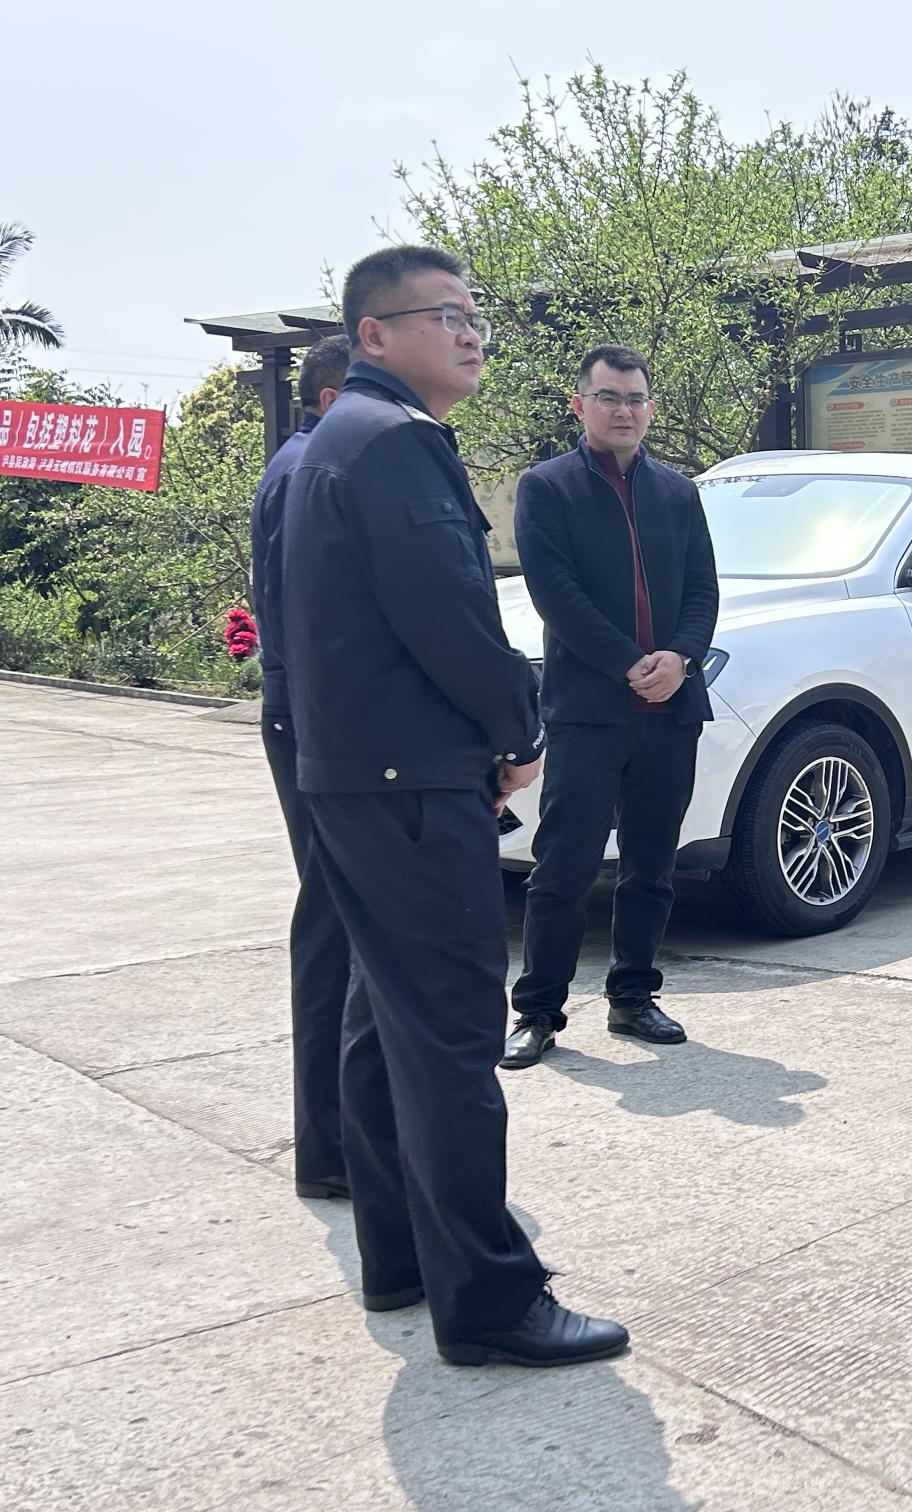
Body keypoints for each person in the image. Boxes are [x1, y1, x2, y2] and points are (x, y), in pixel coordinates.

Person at [283, 245, 626, 1367]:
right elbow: (451, 619)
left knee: (383, 1024)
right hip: (412, 783)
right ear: (374, 335)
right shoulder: (394, 442)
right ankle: (487, 1301)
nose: (472, 332)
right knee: (451, 1035)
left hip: (358, 775)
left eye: (476, 315)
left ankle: (401, 1259)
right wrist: (517, 730)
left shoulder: (336, 441)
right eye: (445, 314)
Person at [501, 345, 720, 1070]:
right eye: (609, 397)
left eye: (635, 399)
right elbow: (556, 597)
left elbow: (703, 589)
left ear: (650, 409)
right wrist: (629, 663)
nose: (624, 411)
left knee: (652, 866)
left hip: (671, 710)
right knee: (563, 869)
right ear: (580, 405)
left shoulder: (677, 492)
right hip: (588, 710)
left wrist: (679, 658)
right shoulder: (547, 488)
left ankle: (633, 997)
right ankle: (538, 1012)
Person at [249, 333, 359, 1201]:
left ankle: (341, 1140)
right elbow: (305, 622)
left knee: (340, 928)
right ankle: (329, 1148)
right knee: (331, 930)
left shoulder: (304, 464)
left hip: (312, 721)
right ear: (330, 399)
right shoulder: (306, 471)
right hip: (315, 727)